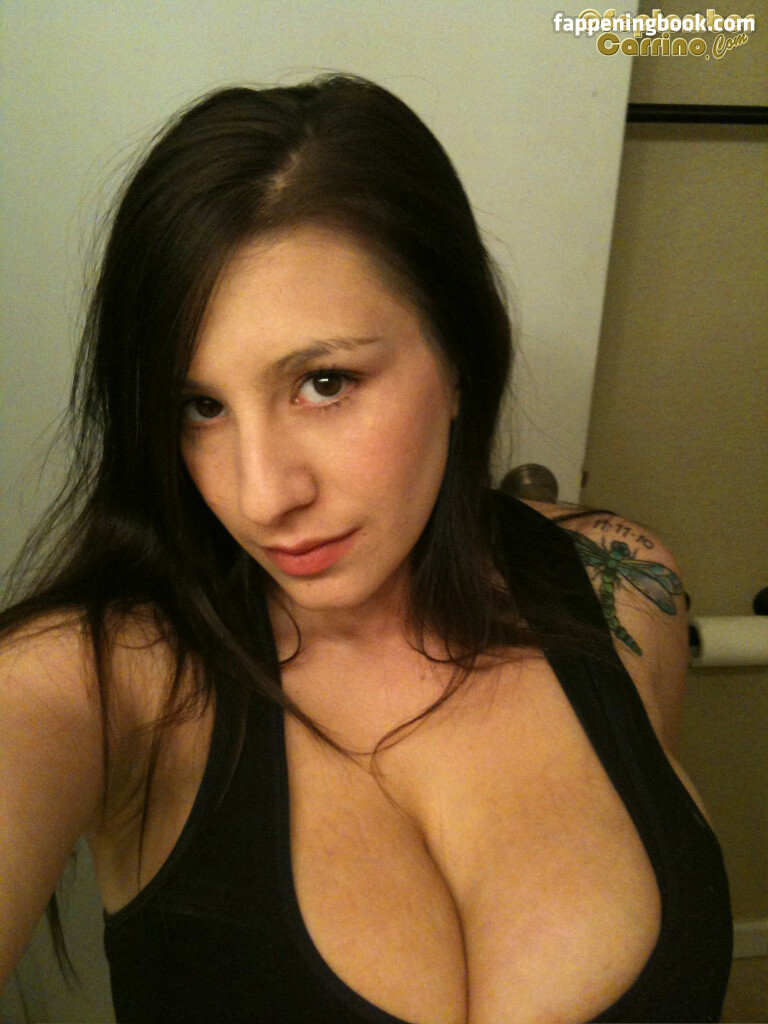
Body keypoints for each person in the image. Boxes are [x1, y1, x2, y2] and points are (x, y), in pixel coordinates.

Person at [0, 75, 732, 1024]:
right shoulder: (102, 681)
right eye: (200, 406)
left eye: (325, 382)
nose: (263, 495)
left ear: (458, 354)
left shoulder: (623, 588)